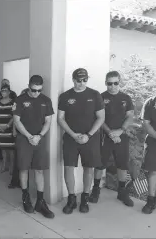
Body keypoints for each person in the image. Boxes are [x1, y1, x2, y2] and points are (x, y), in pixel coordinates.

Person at [57, 68, 105, 214]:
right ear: (73, 79)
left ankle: (85, 198)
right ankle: (71, 199)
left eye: (85, 80)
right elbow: (60, 118)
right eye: (79, 80)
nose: (82, 83)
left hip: (90, 138)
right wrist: (73, 134)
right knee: (68, 168)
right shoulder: (65, 96)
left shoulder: (95, 95)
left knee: (88, 168)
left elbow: (101, 117)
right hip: (71, 138)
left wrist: (88, 135)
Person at [89, 71, 134, 207]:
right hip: (105, 136)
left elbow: (130, 116)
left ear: (119, 82)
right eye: (109, 83)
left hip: (122, 136)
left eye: (115, 83)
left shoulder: (126, 97)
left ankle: (122, 192)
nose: (112, 86)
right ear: (105, 83)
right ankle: (95, 190)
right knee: (99, 164)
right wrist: (110, 133)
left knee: (122, 164)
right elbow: (99, 118)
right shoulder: (100, 97)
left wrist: (120, 131)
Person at [13, 75, 55, 219]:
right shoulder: (20, 100)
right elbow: (17, 121)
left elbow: (48, 121)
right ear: (29, 86)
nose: (36, 93)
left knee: (39, 170)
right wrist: (29, 136)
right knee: (24, 168)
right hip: (24, 139)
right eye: (33, 90)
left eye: (39, 90)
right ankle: (26, 198)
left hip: (39, 139)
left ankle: (40, 202)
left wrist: (39, 136)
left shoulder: (46, 100)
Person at [140, 75, 156, 214]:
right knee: (152, 172)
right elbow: (145, 123)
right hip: (154, 142)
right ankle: (151, 201)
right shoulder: (150, 102)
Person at [0, 79, 17, 161]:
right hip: (0, 127)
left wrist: (8, 125)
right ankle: (4, 165)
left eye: (5, 90)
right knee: (2, 148)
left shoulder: (13, 97)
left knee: (10, 149)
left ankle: (11, 167)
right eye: (2, 90)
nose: (3, 92)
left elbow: (15, 114)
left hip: (9, 128)